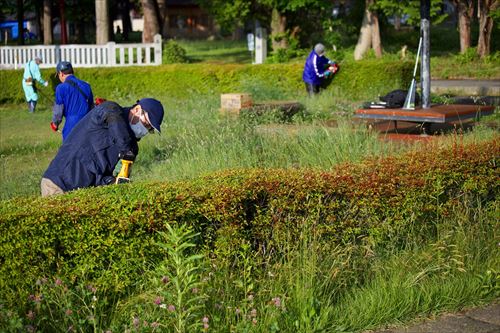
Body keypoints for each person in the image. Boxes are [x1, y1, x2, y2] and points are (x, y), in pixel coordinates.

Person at [40, 98, 164, 197]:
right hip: (59, 184)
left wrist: (113, 181)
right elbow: (115, 121)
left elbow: (105, 177)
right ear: (137, 109)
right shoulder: (111, 110)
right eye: (146, 123)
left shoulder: (131, 149)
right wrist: (126, 149)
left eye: (149, 129)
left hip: (83, 194)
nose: (145, 129)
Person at [51, 61, 94, 140]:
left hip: (71, 125)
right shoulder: (86, 85)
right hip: (87, 124)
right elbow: (92, 107)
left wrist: (55, 123)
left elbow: (58, 111)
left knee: (69, 151)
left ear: (61, 73)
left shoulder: (60, 88)